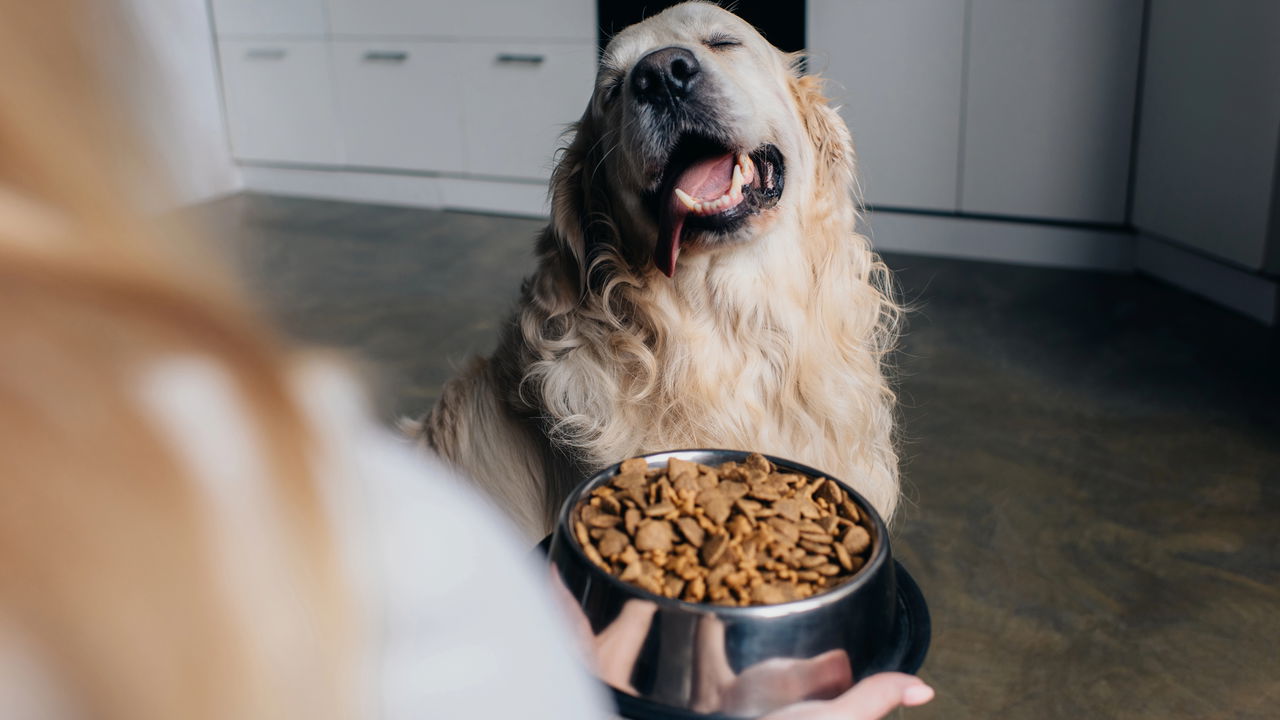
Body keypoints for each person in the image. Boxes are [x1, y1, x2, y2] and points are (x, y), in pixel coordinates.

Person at [0, 1, 934, 718]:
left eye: (722, 47)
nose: (667, 72)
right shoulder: (573, 439)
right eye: (621, 90)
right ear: (593, 212)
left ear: (813, 133)